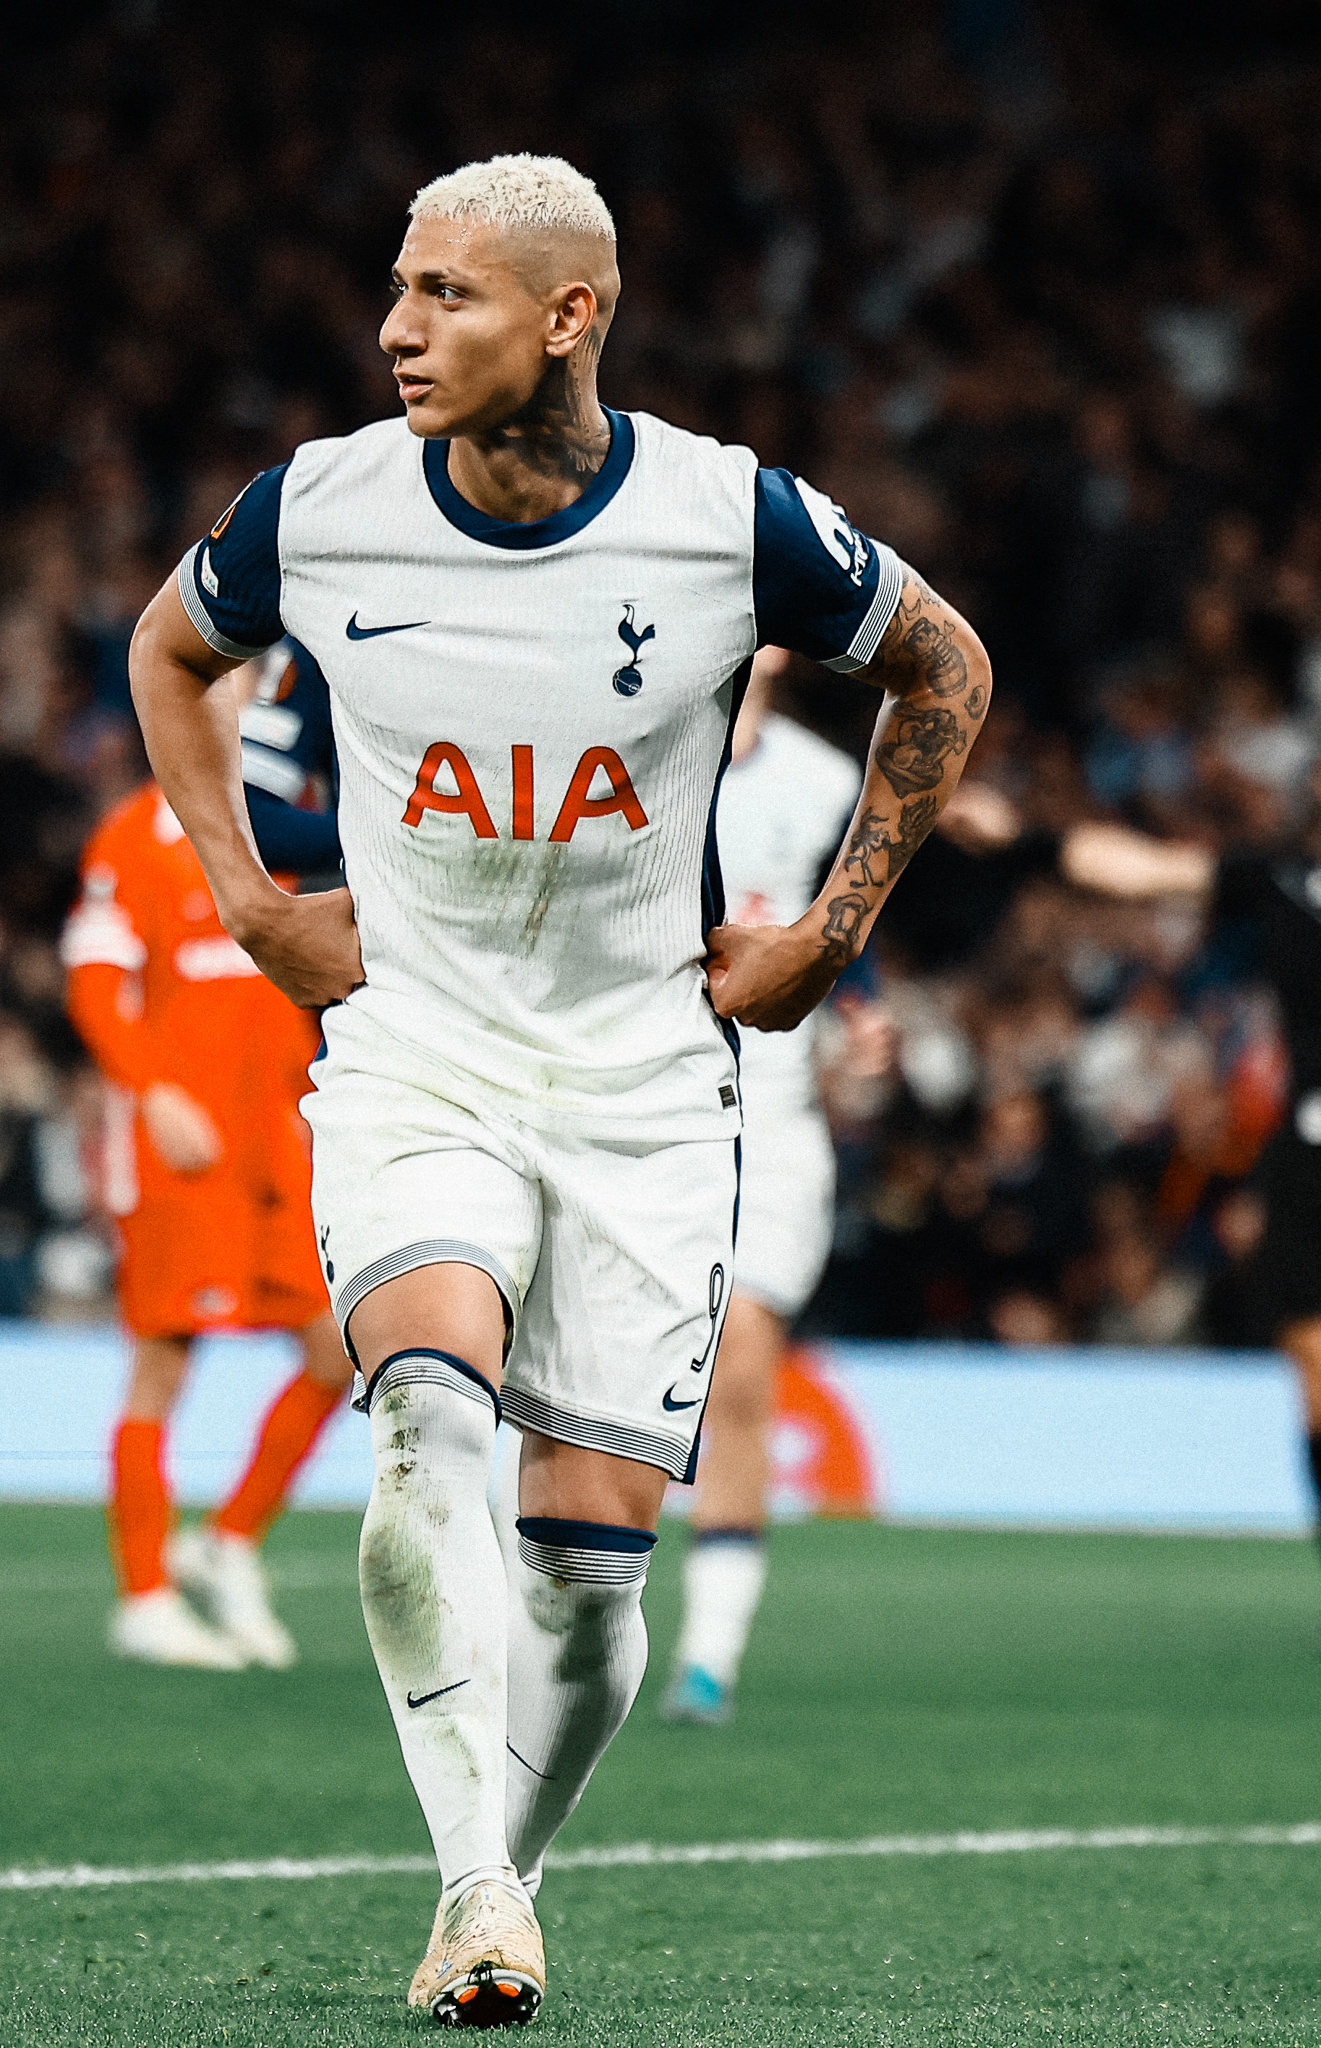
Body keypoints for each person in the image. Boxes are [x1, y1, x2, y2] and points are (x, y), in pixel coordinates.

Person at [130, 154, 990, 2026]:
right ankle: (469, 1896)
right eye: (397, 286)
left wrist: (833, 933)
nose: (395, 329)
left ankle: (506, 1871)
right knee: (422, 1411)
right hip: (418, 1052)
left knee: (587, 1582)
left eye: (444, 294)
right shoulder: (325, 503)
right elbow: (167, 646)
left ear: (568, 314)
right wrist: (243, 896)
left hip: (638, 1087)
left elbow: (941, 664)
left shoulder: (722, 517)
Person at [63, 636, 353, 1671]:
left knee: (339, 1349)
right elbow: (95, 984)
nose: (244, 698)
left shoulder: (276, 833)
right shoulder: (134, 836)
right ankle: (141, 1594)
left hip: (279, 1136)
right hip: (183, 1144)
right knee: (162, 1363)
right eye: (225, 680)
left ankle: (228, 1540)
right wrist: (153, 1091)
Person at [944, 777, 1321, 1555]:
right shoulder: (1288, 885)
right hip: (1308, 1163)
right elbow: (1143, 868)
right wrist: (1019, 837)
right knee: (1313, 1377)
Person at [660, 646, 862, 1726]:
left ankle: (709, 1654)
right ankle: (556, 1628)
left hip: (774, 1116)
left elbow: (855, 942)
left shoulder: (828, 786)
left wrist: (862, 1031)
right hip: (635, 1100)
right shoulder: (631, 750)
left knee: (739, 1373)